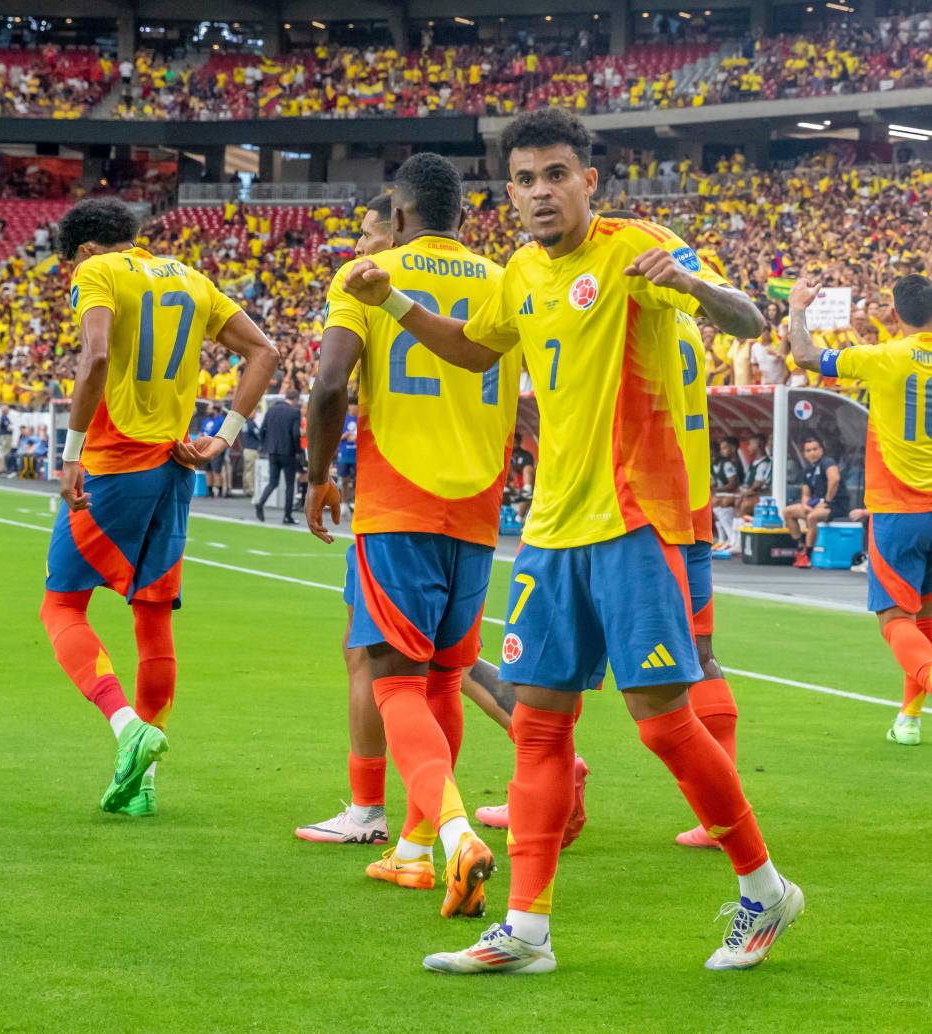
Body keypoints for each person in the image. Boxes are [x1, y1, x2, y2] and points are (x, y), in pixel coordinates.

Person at [343, 109, 801, 974]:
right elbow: (475, 353)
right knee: (539, 729)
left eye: (557, 174)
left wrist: (696, 287)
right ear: (508, 192)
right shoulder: (517, 271)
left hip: (634, 523)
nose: (541, 192)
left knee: (662, 723)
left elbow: (748, 318)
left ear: (591, 180)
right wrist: (393, 303)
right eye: (525, 179)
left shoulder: (638, 248)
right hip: (549, 533)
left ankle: (765, 889)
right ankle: (527, 931)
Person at [306, 152, 522, 918]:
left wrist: (318, 475)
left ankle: (457, 834)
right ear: (463, 214)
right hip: (480, 505)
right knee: (441, 680)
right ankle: (413, 848)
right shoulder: (506, 279)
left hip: (399, 499)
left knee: (392, 675)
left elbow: (331, 383)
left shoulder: (366, 274)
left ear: (397, 213)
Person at [39, 197, 278, 816]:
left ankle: (127, 728)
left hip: (117, 461)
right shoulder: (192, 278)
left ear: (86, 250)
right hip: (177, 467)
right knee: (153, 616)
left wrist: (70, 454)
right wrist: (222, 439)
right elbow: (265, 353)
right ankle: (144, 786)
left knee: (61, 604)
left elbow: (94, 357)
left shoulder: (97, 273)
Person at [789, 273, 932, 746]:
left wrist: (797, 307)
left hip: (899, 509)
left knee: (894, 620)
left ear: (894, 316)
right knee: (924, 621)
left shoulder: (884, 357)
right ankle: (908, 721)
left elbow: (807, 356)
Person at [783, 435, 849, 568]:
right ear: (804, 453)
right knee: (787, 512)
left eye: (814, 449)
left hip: (836, 505)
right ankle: (800, 547)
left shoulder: (827, 462)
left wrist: (827, 501)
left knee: (812, 517)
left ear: (821, 450)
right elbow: (806, 494)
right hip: (817, 504)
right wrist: (805, 505)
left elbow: (834, 479)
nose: (812, 453)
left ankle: (808, 555)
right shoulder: (808, 469)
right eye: (808, 450)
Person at [254, 389, 302, 524]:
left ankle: (261, 502)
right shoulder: (294, 412)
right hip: (288, 452)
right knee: (289, 485)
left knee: (273, 482)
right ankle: (287, 516)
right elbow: (295, 434)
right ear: (296, 399)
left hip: (272, 451)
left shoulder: (271, 411)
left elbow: (262, 429)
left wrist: (265, 445)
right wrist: (298, 451)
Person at [711, 436, 743, 549]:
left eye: (712, 455)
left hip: (735, 493)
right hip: (724, 493)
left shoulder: (726, 464)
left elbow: (733, 485)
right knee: (712, 501)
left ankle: (732, 539)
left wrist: (717, 489)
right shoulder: (711, 466)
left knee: (719, 502)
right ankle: (722, 538)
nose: (711, 458)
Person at [200, 401, 229, 498]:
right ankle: (210, 491)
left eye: (209, 408)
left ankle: (219, 491)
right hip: (205, 448)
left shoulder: (222, 420)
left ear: (215, 409)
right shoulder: (205, 420)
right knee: (208, 470)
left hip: (216, 447)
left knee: (217, 470)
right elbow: (201, 432)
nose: (207, 410)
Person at [336, 399, 358, 516]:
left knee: (358, 481)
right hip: (344, 454)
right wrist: (345, 436)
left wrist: (357, 438)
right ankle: (343, 503)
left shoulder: (363, 419)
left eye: (356, 405)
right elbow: (335, 436)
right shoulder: (343, 419)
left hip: (358, 454)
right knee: (344, 480)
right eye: (352, 405)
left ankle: (356, 503)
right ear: (348, 406)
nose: (354, 407)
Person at [241, 410, 260, 496]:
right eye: (254, 412)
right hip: (252, 449)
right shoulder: (251, 423)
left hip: (246, 449)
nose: (255, 414)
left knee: (247, 470)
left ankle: (246, 488)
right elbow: (258, 434)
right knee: (251, 470)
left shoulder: (244, 423)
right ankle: (251, 489)